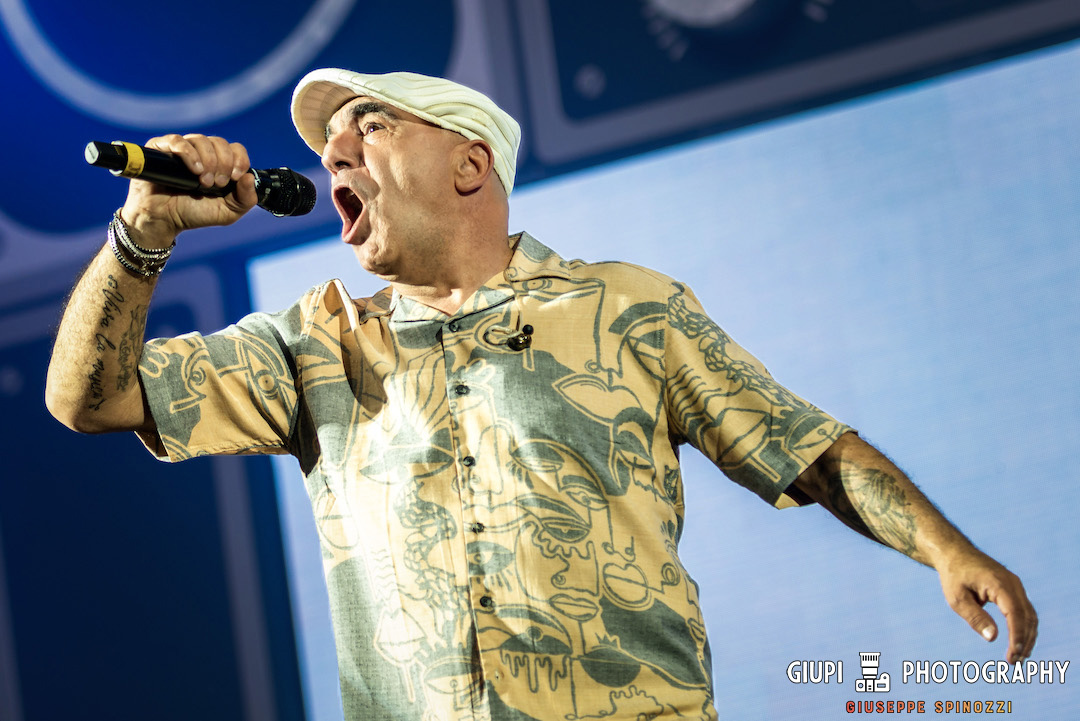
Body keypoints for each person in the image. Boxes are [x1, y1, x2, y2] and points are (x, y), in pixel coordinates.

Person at [45, 69, 1037, 720]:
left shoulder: (628, 308)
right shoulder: (312, 346)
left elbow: (805, 449)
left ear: (470, 164)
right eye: (329, 146)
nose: (334, 155)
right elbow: (88, 398)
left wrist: (945, 548)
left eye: (370, 127)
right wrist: (145, 230)